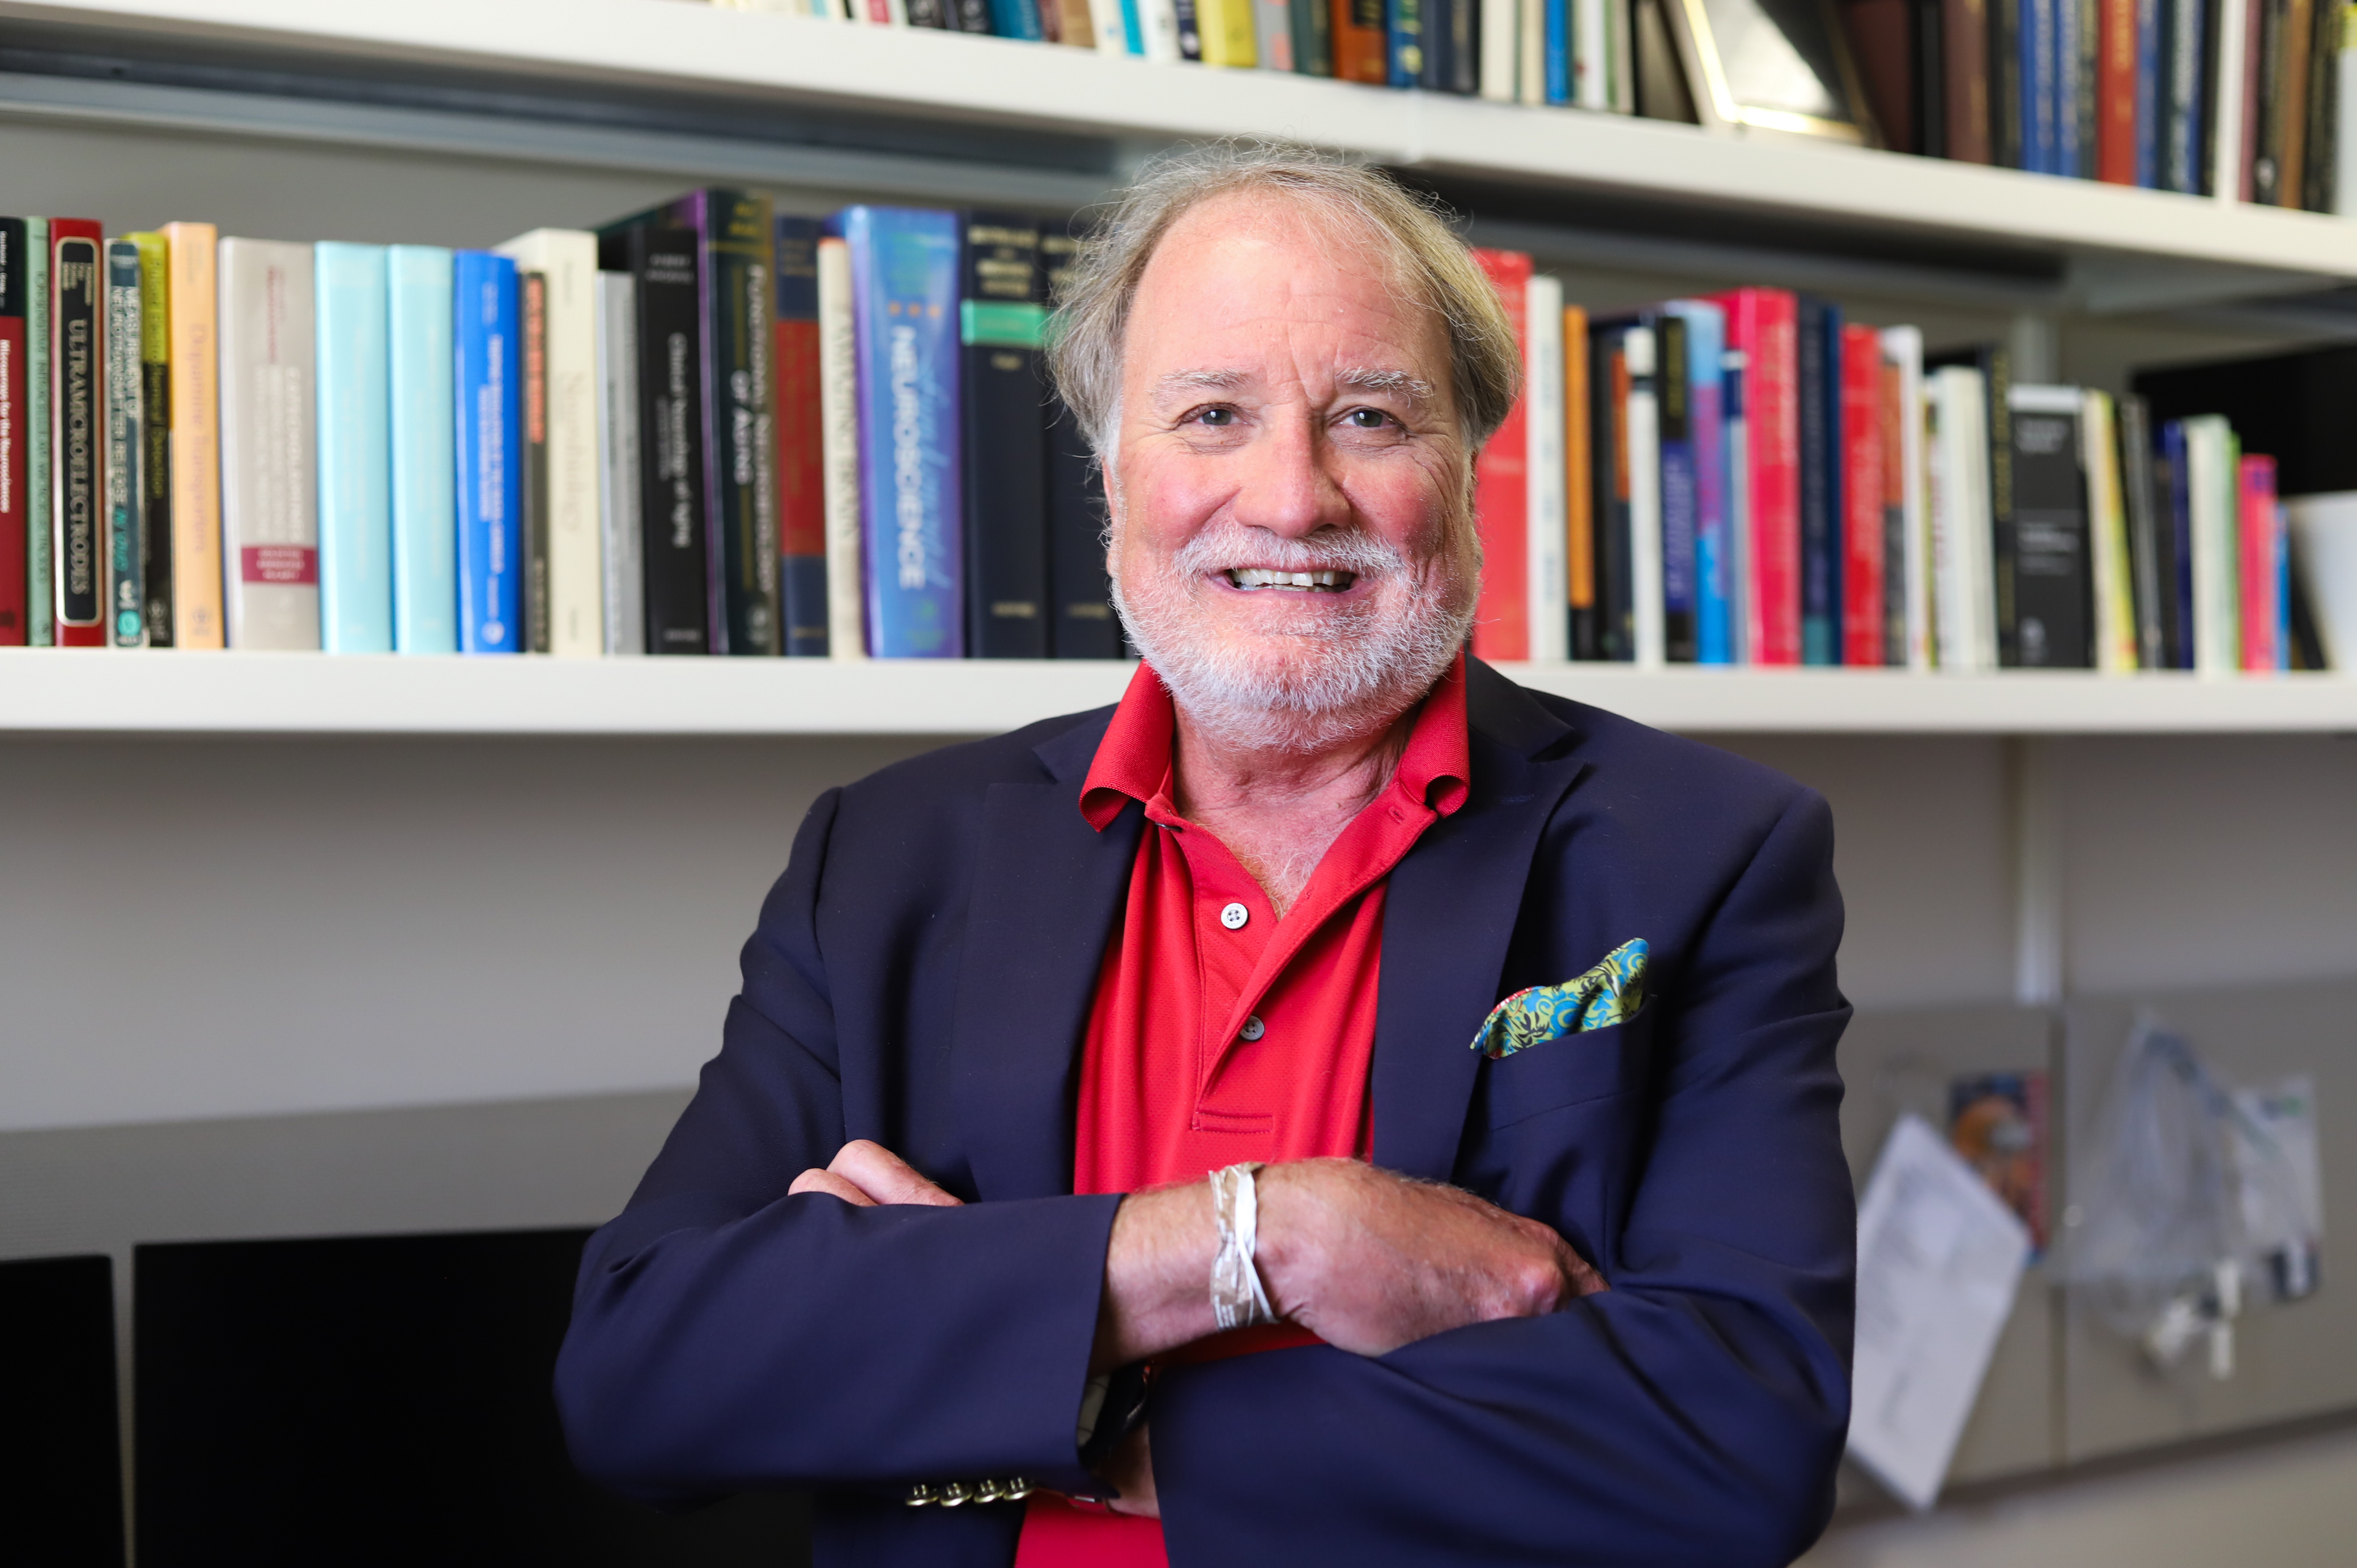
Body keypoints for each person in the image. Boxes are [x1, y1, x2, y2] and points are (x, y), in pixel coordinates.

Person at [556, 142, 1855, 1568]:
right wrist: (1273, 1233)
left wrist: (1072, 1393)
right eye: (1213, 414)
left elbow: (1735, 1440)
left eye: (1368, 416)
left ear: (1468, 469)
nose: (1292, 499)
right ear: (1111, 471)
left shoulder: (1705, 854)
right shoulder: (885, 859)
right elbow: (644, 1371)